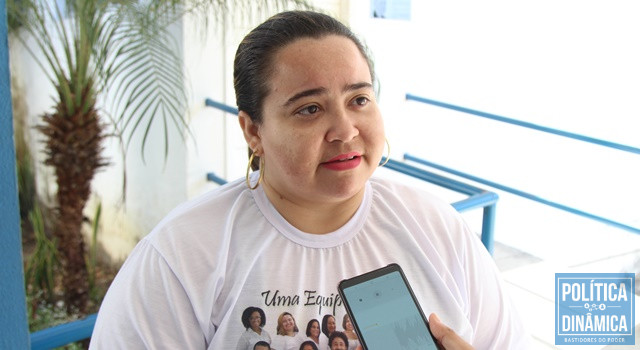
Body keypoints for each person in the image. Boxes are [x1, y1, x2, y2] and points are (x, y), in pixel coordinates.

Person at [89, 10, 529, 349]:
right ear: (253, 130)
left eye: (359, 99)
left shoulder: (436, 227)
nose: (345, 130)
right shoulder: (181, 258)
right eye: (309, 108)